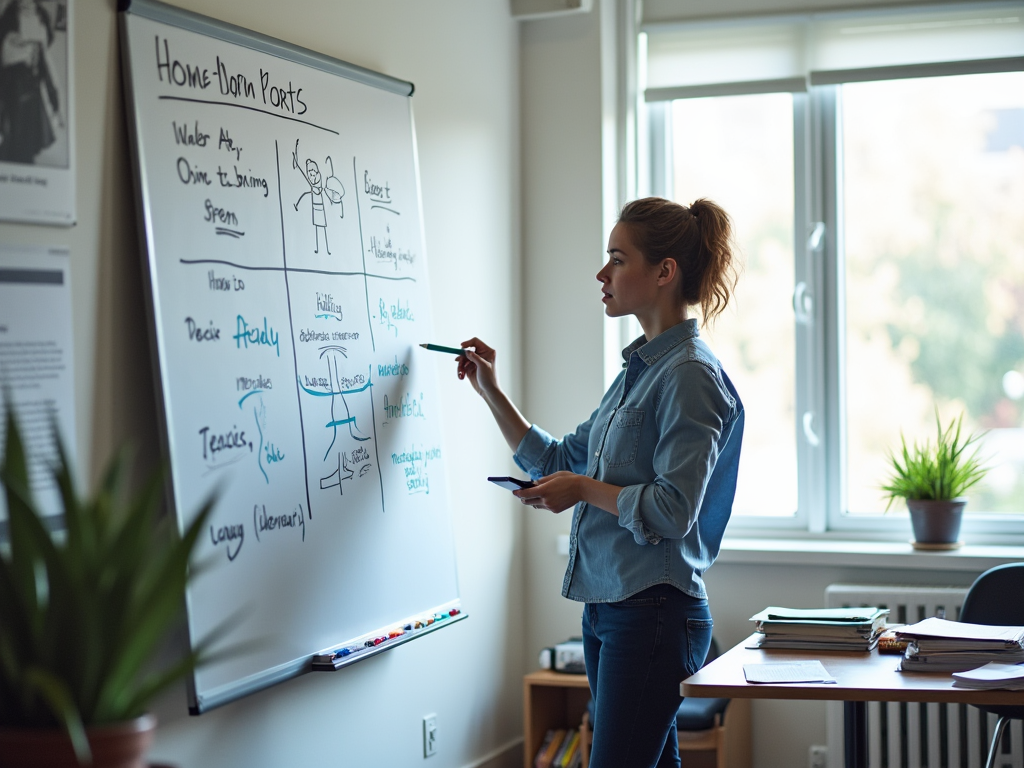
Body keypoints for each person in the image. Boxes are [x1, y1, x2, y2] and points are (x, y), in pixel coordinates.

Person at [456, 197, 744, 768]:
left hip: (654, 614)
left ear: (664, 272)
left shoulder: (690, 377)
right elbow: (561, 457)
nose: (601, 274)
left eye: (617, 258)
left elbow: (672, 509)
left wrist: (583, 490)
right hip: (609, 608)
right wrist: (490, 390)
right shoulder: (638, 373)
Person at [0, 0, 61, 165]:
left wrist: (54, 96)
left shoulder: (41, 16)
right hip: (14, 83)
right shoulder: (10, 17)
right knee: (15, 129)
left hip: (32, 84)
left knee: (30, 130)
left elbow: (45, 55)